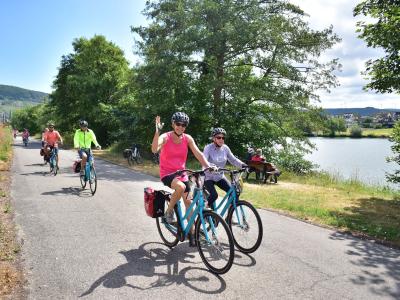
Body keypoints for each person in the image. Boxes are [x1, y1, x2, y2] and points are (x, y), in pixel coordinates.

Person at [151, 112, 213, 246]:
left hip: (182, 173)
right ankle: (169, 211)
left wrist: (209, 166)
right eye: (178, 124)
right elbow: (155, 149)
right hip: (167, 173)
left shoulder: (187, 138)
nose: (180, 127)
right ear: (173, 124)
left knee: (189, 203)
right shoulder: (165, 136)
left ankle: (192, 234)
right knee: (181, 187)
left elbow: (198, 153)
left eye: (183, 125)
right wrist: (157, 132)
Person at [203, 128, 247, 208]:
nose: (221, 139)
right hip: (208, 177)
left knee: (234, 193)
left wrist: (243, 165)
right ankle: (204, 210)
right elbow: (204, 161)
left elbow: (233, 160)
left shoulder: (225, 148)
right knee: (214, 195)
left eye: (223, 138)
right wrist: (211, 166)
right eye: (219, 137)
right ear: (214, 138)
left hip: (219, 176)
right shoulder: (208, 148)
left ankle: (230, 215)